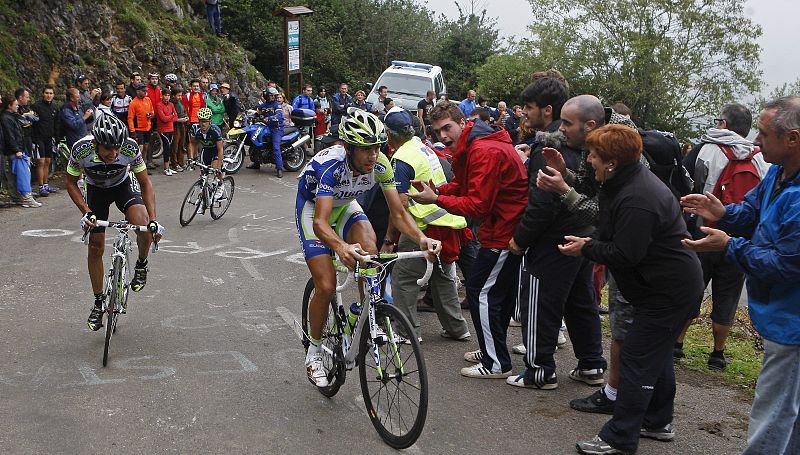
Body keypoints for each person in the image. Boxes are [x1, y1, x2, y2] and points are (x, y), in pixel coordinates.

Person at [559, 124, 702, 455]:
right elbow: (615, 237)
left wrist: (586, 248)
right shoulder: (620, 182)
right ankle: (657, 420)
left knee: (637, 355)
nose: (589, 159)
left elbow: (626, 253)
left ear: (611, 161)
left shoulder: (638, 196)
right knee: (656, 352)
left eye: (594, 154)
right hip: (663, 286)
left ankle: (619, 438)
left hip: (668, 290)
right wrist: (591, 243)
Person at [682, 96, 800, 455]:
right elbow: (751, 211)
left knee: (774, 410)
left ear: (792, 139)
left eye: (763, 134)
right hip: (779, 315)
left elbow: (786, 265)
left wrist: (728, 245)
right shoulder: (780, 174)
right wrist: (723, 211)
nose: (755, 142)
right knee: (788, 413)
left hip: (792, 322)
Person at [296, 108, 440, 387]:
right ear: (349, 148)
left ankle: (364, 315)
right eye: (365, 150)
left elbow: (398, 214)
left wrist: (422, 239)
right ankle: (313, 351)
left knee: (370, 252)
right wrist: (340, 247)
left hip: (345, 203)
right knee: (325, 285)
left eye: (377, 147)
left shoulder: (382, 164)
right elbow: (321, 223)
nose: (373, 155)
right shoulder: (331, 167)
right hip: (315, 209)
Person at [408, 101, 528, 378]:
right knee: (494, 293)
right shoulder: (474, 144)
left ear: (462, 123)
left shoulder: (483, 150)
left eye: (447, 128)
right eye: (438, 131)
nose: (443, 136)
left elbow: (477, 205)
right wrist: (436, 188)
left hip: (504, 232)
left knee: (480, 292)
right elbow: (465, 186)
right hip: (502, 229)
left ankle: (495, 362)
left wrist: (436, 199)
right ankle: (492, 349)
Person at [507, 87, 608, 390]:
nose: (523, 112)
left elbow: (542, 203)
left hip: (553, 239)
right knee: (581, 302)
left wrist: (520, 240)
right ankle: (591, 364)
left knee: (540, 303)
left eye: (528, 106)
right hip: (583, 236)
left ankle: (540, 370)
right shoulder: (592, 147)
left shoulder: (550, 148)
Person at [675, 103, 770, 370]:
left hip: (703, 230)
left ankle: (677, 343)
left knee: (692, 286)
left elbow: (685, 181)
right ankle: (717, 353)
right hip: (738, 237)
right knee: (727, 294)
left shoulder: (706, 148)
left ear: (724, 124)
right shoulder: (762, 158)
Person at [65, 114, 164, 330]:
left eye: (117, 148)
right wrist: (86, 211)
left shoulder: (129, 147)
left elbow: (145, 182)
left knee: (142, 222)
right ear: (95, 144)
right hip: (96, 190)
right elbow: (71, 183)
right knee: (95, 247)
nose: (114, 153)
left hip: (123, 185)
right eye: (108, 149)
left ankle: (141, 265)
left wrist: (154, 220)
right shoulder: (81, 149)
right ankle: (99, 302)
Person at [383, 107, 471, 342]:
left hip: (423, 228)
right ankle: (457, 329)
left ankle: (406, 332)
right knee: (443, 279)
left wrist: (389, 239)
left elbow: (398, 207)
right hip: (448, 224)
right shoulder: (422, 147)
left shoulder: (401, 158)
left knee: (404, 278)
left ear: (389, 134)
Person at [2, 94, 40, 207]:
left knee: (15, 175)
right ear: (9, 105)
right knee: (22, 174)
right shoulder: (5, 118)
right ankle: (26, 197)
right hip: (14, 150)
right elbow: (9, 135)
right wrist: (17, 149)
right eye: (15, 105)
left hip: (18, 148)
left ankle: (18, 197)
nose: (17, 106)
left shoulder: (13, 115)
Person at [247, 87, 284, 177]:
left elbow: (279, 115)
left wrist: (270, 118)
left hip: (276, 128)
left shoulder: (277, 105)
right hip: (264, 127)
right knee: (255, 141)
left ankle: (279, 168)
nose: (272, 97)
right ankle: (256, 163)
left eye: (273, 96)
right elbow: (256, 112)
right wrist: (249, 114)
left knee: (275, 147)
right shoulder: (262, 106)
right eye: (270, 95)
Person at [31, 85, 61, 196]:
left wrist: (57, 139)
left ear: (53, 95)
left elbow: (57, 124)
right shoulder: (36, 106)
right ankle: (40, 186)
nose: (48, 95)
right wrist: (33, 140)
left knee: (48, 161)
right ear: (43, 94)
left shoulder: (55, 107)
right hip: (38, 138)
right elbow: (32, 123)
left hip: (50, 138)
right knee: (41, 161)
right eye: (47, 93)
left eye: (51, 93)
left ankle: (46, 184)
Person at [128, 83, 155, 172]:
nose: (145, 93)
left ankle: (143, 166)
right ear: (138, 91)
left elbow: (152, 111)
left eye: (145, 91)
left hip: (148, 127)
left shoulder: (147, 100)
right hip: (138, 129)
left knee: (146, 147)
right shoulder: (133, 103)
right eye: (143, 91)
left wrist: (150, 115)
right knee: (140, 147)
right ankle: (136, 166)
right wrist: (132, 130)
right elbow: (130, 118)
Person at [182, 79, 206, 165]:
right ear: (191, 87)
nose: (196, 88)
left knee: (198, 140)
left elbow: (204, 107)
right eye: (194, 86)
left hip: (200, 120)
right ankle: (190, 158)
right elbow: (184, 108)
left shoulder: (202, 96)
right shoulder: (187, 96)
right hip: (191, 120)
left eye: (197, 86)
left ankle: (196, 157)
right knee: (190, 140)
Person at [156, 88, 178, 175]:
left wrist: (170, 116)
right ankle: (166, 168)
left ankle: (168, 167)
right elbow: (163, 119)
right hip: (163, 129)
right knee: (166, 147)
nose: (167, 97)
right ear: (162, 95)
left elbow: (176, 117)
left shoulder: (171, 104)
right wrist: (171, 116)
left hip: (171, 128)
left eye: (168, 95)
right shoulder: (159, 105)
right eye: (165, 95)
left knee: (170, 147)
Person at [170, 86, 190, 171]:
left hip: (183, 125)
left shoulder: (180, 102)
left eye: (181, 95)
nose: (180, 97)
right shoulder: (171, 103)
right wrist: (178, 120)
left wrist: (186, 117)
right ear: (173, 95)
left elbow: (184, 111)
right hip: (175, 126)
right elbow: (171, 116)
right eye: (178, 95)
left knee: (182, 144)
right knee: (175, 145)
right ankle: (175, 163)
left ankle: (181, 162)